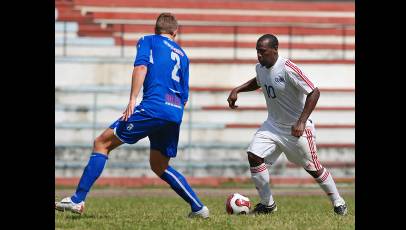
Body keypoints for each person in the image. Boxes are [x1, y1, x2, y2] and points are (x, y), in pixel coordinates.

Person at [55, 13, 209, 218]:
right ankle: (199, 208)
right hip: (174, 112)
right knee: (160, 165)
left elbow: (142, 66)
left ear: (156, 29)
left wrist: (132, 99)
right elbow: (185, 95)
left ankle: (77, 200)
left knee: (102, 143)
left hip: (152, 108)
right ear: (175, 32)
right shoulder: (183, 55)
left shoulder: (148, 40)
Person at [227, 34, 347, 215]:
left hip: (296, 129)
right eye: (257, 52)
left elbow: (314, 92)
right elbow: (258, 80)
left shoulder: (288, 68)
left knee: (314, 169)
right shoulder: (261, 67)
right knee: (253, 155)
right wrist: (237, 89)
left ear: (275, 50)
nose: (259, 56)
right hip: (273, 126)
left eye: (263, 52)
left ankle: (339, 202)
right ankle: (268, 205)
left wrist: (301, 121)